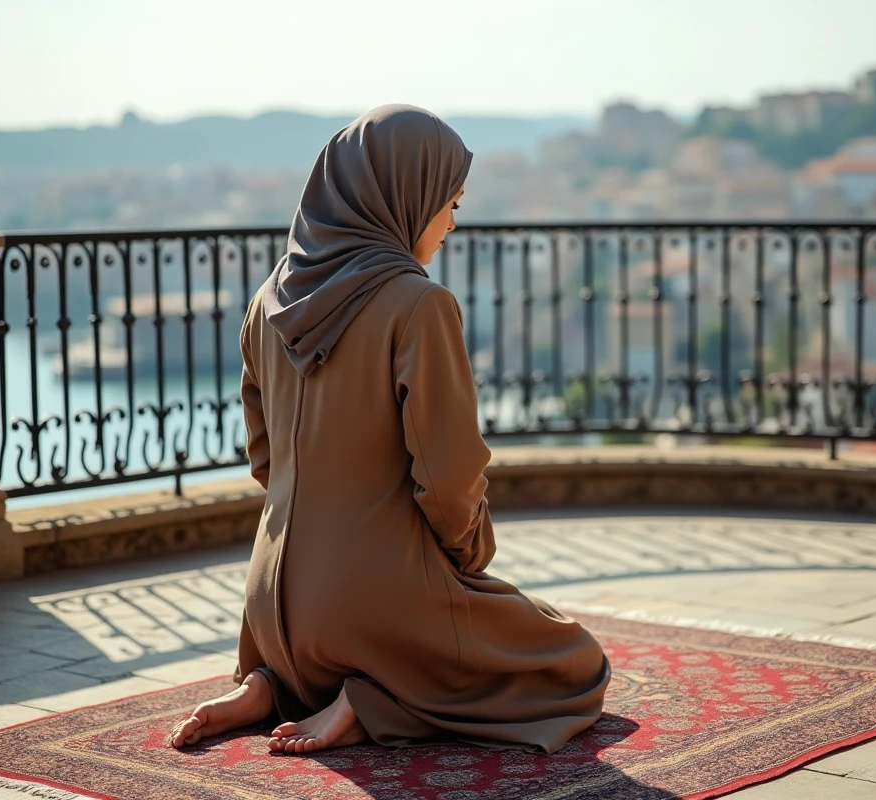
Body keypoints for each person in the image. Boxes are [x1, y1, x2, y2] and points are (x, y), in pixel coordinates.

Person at [169, 104, 610, 756]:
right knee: (573, 661)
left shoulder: (268, 303)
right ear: (403, 196)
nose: (453, 222)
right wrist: (466, 560)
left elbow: (264, 461)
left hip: (269, 608)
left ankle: (268, 685)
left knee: (401, 628)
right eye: (449, 202)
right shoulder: (418, 305)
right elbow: (449, 477)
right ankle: (371, 699)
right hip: (370, 608)